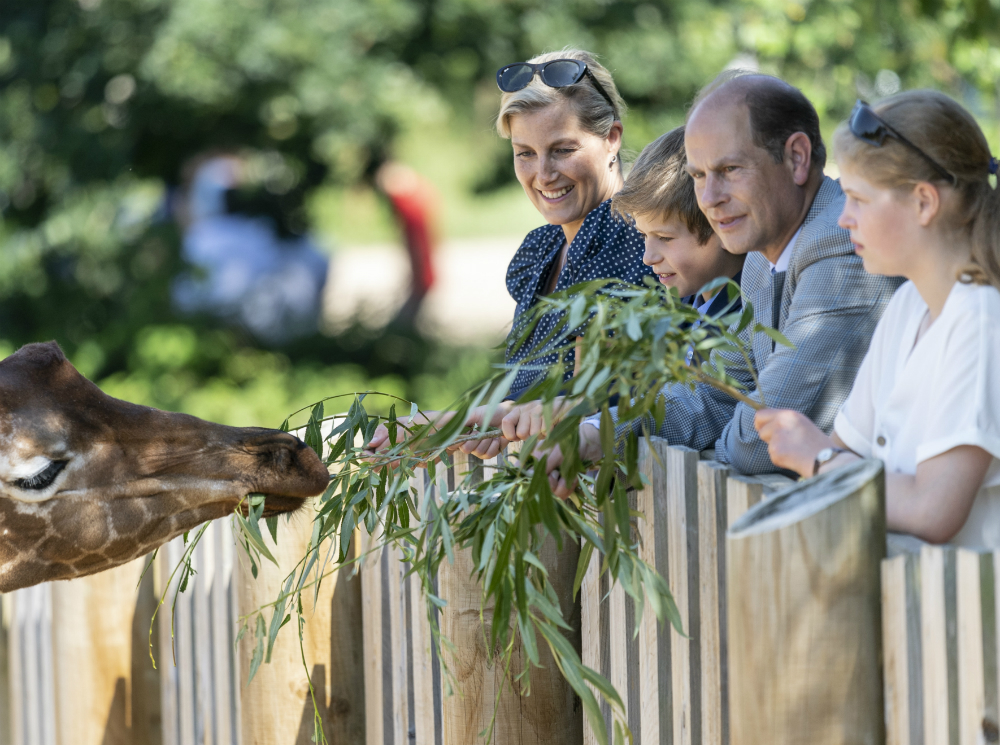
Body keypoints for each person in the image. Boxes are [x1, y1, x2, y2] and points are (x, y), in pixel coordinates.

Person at [535, 71, 905, 493]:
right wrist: (594, 435)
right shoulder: (761, 256)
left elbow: (757, 446)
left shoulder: (840, 247)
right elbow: (712, 393)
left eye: (730, 169)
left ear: (797, 158)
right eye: (698, 176)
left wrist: (709, 447)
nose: (709, 199)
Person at [366, 49, 649, 457]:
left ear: (612, 139)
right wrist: (479, 425)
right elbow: (530, 402)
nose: (544, 174)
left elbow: (596, 403)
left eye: (563, 150)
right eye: (525, 153)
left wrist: (452, 422)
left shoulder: (637, 241)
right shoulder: (542, 250)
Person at [756, 91, 1000, 547]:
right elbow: (849, 450)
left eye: (858, 199)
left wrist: (818, 458)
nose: (843, 219)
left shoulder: (982, 321)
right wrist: (825, 456)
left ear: (924, 202)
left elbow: (933, 509)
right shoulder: (909, 305)